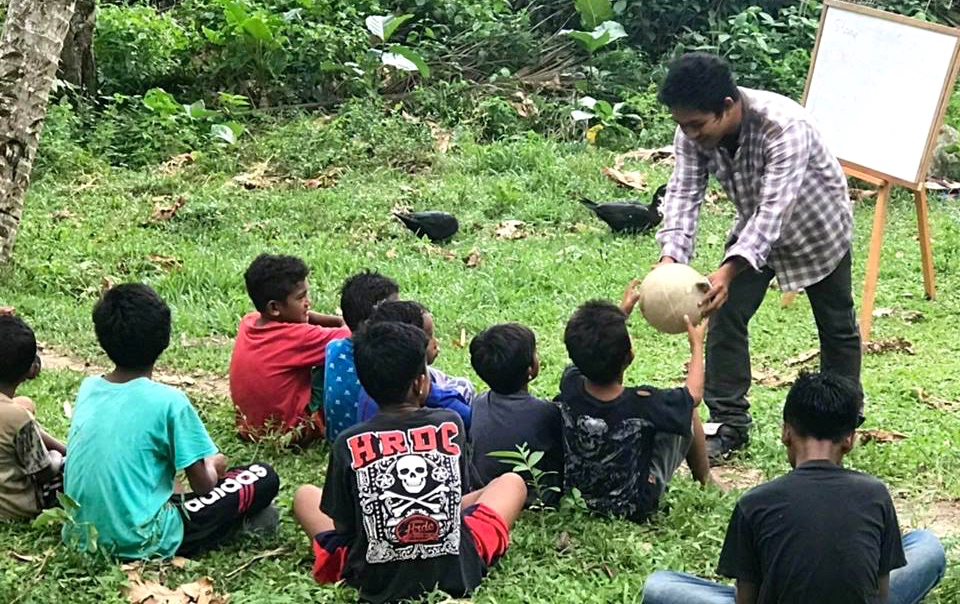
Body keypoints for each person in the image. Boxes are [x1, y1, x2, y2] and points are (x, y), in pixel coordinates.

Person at [655, 52, 861, 460]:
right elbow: (682, 195)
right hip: (754, 231)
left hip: (816, 227)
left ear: (727, 107)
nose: (689, 135)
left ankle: (839, 425)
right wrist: (670, 262)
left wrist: (727, 273)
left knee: (836, 327)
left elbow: (774, 213)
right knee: (725, 316)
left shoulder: (785, 126)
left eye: (697, 125)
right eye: (683, 125)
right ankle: (727, 423)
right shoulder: (692, 132)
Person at [643, 372, 946, 603]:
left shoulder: (755, 502)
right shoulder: (875, 493)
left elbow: (748, 600)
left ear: (786, 433)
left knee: (660, 587)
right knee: (927, 545)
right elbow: (879, 594)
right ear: (849, 440)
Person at [293, 321, 526, 603]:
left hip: (372, 576)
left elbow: (344, 528)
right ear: (420, 382)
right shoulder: (449, 424)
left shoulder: (348, 442)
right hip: (457, 569)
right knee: (512, 483)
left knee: (304, 496)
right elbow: (458, 501)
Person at [63, 283, 280, 559]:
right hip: (143, 538)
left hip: (80, 536)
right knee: (262, 475)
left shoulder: (89, 388)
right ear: (164, 338)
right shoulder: (169, 401)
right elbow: (204, 486)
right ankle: (236, 524)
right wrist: (214, 464)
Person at [556, 282, 713, 522]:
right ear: (629, 356)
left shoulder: (571, 383)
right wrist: (697, 345)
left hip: (578, 493)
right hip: (634, 505)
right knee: (686, 410)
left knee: (679, 407)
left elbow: (587, 351)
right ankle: (705, 479)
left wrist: (621, 314)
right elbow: (693, 395)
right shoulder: (645, 404)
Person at [229, 253, 349, 445]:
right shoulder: (299, 338)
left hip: (250, 429)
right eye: (301, 298)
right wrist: (342, 320)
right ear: (275, 308)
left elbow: (309, 317)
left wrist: (323, 319)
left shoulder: (249, 322)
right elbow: (352, 333)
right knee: (345, 354)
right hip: (293, 432)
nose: (308, 302)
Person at [468, 323, 563, 505]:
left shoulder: (478, 403)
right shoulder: (546, 412)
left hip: (484, 493)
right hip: (537, 499)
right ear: (530, 369)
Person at [356, 300, 472, 429]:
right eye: (428, 337)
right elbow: (472, 421)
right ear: (419, 383)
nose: (435, 342)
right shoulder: (436, 401)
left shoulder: (371, 382)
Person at [0, 314, 66, 520]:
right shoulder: (17, 418)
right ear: (31, 369)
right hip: (14, 508)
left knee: (24, 404)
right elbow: (44, 471)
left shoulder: (16, 415)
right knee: (69, 469)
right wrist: (58, 457)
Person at [324, 270, 399, 442]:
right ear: (370, 324)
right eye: (393, 311)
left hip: (337, 441)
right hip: (372, 445)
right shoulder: (387, 361)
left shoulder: (333, 347)